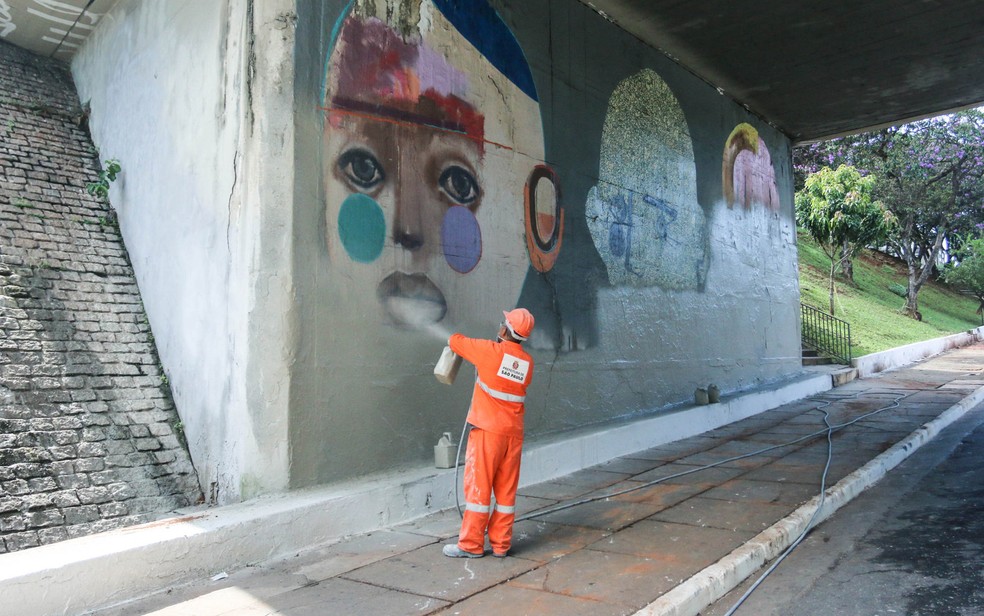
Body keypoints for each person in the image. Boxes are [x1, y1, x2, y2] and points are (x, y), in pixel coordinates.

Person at [443, 308, 535, 558]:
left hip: (487, 433)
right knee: (506, 492)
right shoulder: (527, 363)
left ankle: (471, 545)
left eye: (502, 323)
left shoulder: (489, 351)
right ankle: (500, 545)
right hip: (513, 435)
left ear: (505, 329)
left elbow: (455, 341)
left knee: (479, 490)